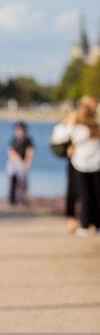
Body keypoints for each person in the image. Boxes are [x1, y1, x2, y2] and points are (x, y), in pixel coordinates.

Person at [51, 96, 100, 237]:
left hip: (83, 165)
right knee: (93, 195)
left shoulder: (79, 129)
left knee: (85, 196)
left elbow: (58, 136)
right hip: (90, 166)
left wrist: (70, 123)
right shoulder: (92, 128)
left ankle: (86, 224)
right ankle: (91, 224)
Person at [6, 121, 34, 206]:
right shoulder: (13, 139)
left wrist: (27, 161)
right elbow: (10, 151)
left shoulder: (28, 140)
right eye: (18, 129)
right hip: (14, 163)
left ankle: (22, 199)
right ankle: (12, 199)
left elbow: (30, 151)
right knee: (12, 181)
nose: (19, 131)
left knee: (23, 183)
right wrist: (17, 159)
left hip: (23, 164)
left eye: (21, 129)